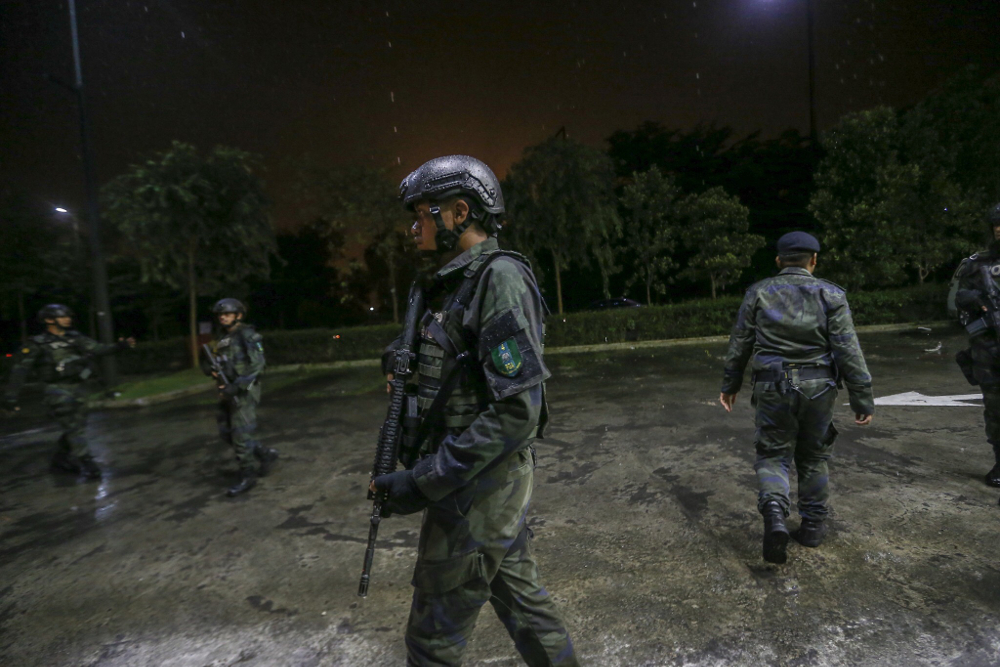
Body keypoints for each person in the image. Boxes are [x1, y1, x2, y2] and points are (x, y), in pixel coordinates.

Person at [370, 155, 578, 666]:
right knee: (525, 607)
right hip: (476, 485)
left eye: (422, 214)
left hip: (477, 487)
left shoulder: (499, 277)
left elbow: (517, 411)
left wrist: (422, 482)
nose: (414, 226)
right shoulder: (449, 283)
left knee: (431, 643)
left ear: (459, 212)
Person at [718, 232, 874, 564]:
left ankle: (775, 514)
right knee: (814, 457)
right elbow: (848, 350)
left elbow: (740, 343)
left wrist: (730, 385)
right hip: (819, 387)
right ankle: (813, 528)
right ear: (813, 260)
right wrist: (862, 398)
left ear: (779, 261)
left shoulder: (758, 293)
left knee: (773, 456)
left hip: (772, 386)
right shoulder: (831, 294)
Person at [3, 304, 135, 479]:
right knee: (73, 427)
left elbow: (97, 349)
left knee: (78, 426)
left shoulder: (74, 338)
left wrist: (120, 346)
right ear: (49, 320)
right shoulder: (37, 344)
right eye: (62, 316)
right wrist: (10, 398)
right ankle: (88, 463)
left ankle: (60, 460)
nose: (68, 319)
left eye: (68, 316)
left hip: (79, 387)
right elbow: (19, 371)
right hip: (56, 390)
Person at [200, 298, 277, 497]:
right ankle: (263, 453)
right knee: (227, 432)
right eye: (220, 315)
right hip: (227, 390)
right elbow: (216, 363)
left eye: (227, 314)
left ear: (238, 315)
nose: (223, 317)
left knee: (241, 434)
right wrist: (210, 369)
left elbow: (258, 366)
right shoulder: (223, 338)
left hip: (244, 391)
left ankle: (247, 475)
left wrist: (238, 386)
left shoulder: (247, 335)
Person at [953, 202, 1000, 490]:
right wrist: (979, 303)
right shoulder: (977, 264)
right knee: (995, 409)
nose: (999, 229)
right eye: (996, 225)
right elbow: (960, 298)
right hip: (990, 350)